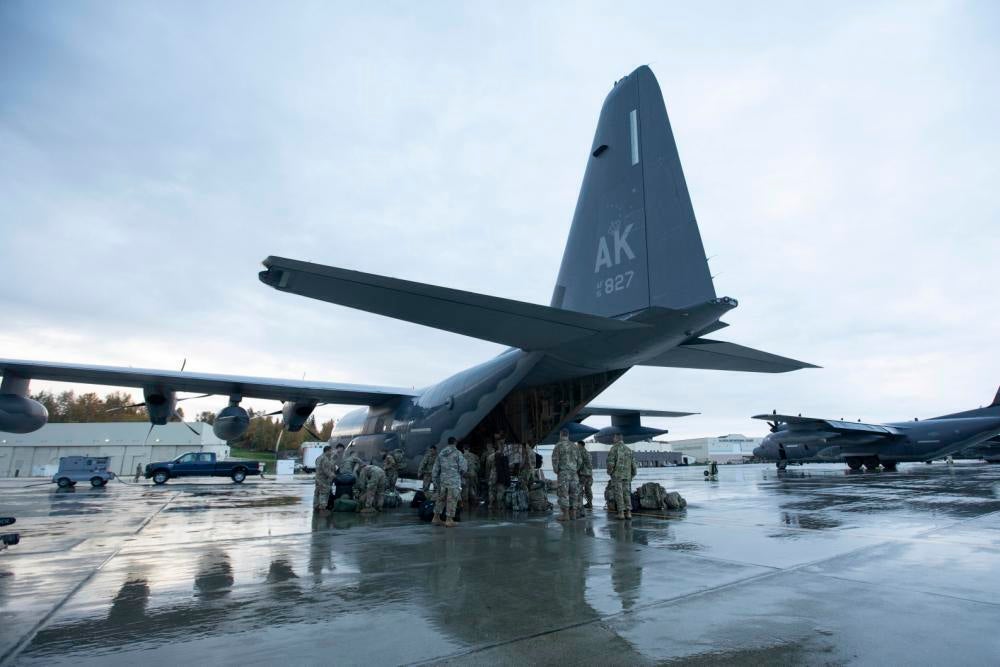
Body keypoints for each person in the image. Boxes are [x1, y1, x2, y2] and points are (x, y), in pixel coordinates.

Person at [432, 437, 467, 527]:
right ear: (455, 443)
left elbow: (435, 469)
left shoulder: (441, 453)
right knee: (452, 499)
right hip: (454, 481)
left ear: (448, 443)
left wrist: (435, 481)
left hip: (443, 480)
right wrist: (459, 475)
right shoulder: (458, 453)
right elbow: (463, 468)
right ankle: (449, 520)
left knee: (441, 499)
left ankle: (436, 518)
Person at [551, 429, 581, 521]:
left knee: (564, 494)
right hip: (574, 474)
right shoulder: (574, 446)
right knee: (574, 493)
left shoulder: (558, 445)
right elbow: (580, 460)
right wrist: (575, 469)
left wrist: (557, 471)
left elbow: (555, 460)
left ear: (561, 435)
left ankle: (566, 515)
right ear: (568, 435)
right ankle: (574, 514)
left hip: (563, 473)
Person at [606, 433, 637, 520]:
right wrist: (632, 474)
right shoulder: (629, 450)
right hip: (627, 476)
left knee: (618, 494)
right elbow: (634, 464)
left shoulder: (614, 449)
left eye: (614, 438)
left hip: (617, 475)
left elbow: (610, 463)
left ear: (616, 438)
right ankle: (629, 512)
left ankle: (621, 513)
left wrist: (610, 472)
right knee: (627, 493)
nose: (613, 439)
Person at [312, 445, 336, 513]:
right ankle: (322, 509)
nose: (331, 452)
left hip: (318, 478)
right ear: (327, 451)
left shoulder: (318, 458)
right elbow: (326, 470)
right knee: (324, 493)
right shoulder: (325, 459)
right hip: (323, 479)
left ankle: (316, 507)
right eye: (331, 451)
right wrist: (333, 475)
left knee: (317, 493)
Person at [461, 444, 480, 509]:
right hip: (473, 475)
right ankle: (474, 507)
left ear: (463, 449)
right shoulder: (475, 456)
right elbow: (478, 467)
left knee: (465, 490)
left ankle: (465, 507)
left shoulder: (460, 456)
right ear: (469, 449)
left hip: (464, 475)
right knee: (473, 489)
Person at [577, 440, 594, 510]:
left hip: (582, 474)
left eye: (577, 445)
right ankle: (590, 503)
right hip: (589, 474)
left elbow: (579, 463)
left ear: (580, 445)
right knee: (588, 489)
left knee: (579, 489)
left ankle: (579, 504)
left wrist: (576, 471)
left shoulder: (580, 452)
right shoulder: (588, 453)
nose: (577, 446)